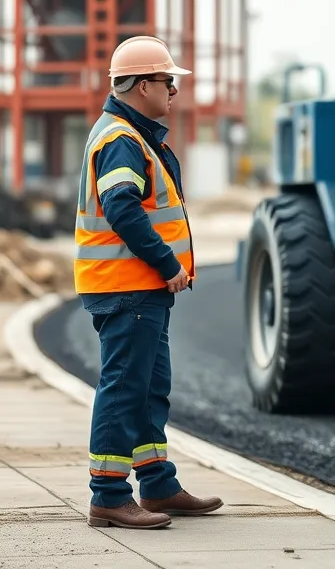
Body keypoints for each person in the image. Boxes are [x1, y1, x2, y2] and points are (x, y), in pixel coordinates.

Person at [75, 35, 222, 529]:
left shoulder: (133, 135)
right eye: (168, 81)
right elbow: (122, 209)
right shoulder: (121, 139)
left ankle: (157, 484)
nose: (174, 90)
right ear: (143, 86)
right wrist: (166, 263)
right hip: (127, 285)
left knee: (149, 386)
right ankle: (109, 495)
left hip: (138, 287)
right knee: (123, 388)